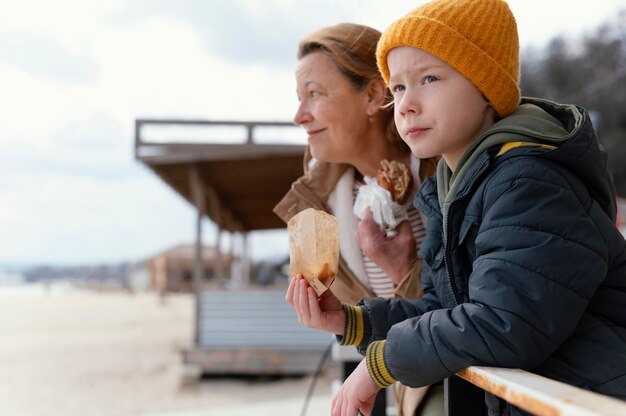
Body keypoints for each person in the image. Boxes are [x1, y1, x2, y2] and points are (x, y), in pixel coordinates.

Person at [285, 1, 626, 415]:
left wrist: (381, 362)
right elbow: (446, 310)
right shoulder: (453, 188)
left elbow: (506, 323)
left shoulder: (530, 181)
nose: (407, 104)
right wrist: (353, 321)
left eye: (429, 78)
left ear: (485, 86)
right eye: (399, 87)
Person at [274, 23, 439, 415]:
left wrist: (401, 270)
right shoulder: (318, 206)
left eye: (314, 94)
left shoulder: (441, 171)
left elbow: (473, 305)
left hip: (458, 386)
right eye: (299, 98)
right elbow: (369, 327)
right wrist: (338, 318)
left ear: (372, 94)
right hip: (383, 381)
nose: (300, 115)